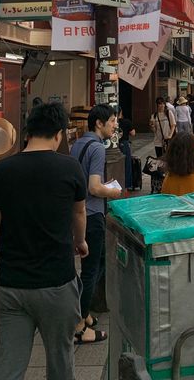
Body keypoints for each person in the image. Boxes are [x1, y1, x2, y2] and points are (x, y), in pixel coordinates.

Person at [0, 102, 87, 380]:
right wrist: (80, 242)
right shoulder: (69, 167)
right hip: (56, 281)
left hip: (10, 283)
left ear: (29, 131)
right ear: (58, 134)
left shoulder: (2, 169)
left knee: (8, 364)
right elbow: (78, 213)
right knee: (60, 361)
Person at [70, 105, 122, 344]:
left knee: (93, 264)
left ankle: (84, 313)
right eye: (112, 121)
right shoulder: (98, 148)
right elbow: (94, 187)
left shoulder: (78, 143)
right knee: (92, 269)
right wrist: (112, 191)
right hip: (91, 214)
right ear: (99, 124)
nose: (115, 125)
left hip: (76, 213)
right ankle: (78, 324)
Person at [117, 106, 136, 193]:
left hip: (114, 144)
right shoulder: (127, 122)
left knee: (116, 165)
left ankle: (117, 184)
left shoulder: (112, 122)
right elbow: (133, 133)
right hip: (124, 144)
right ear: (121, 112)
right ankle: (126, 186)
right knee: (127, 164)